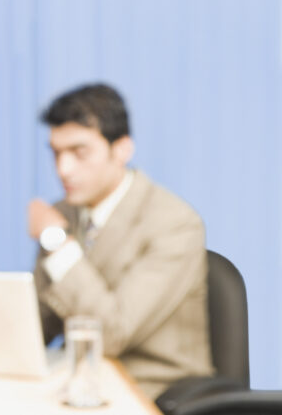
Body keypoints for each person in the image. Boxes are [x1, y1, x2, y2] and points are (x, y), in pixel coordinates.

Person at [29, 83, 213, 399]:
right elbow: (41, 326)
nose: (63, 169)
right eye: (56, 153)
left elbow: (112, 334)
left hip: (153, 389)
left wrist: (58, 244)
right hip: (77, 379)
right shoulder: (64, 215)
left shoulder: (173, 222)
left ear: (122, 150)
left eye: (79, 152)